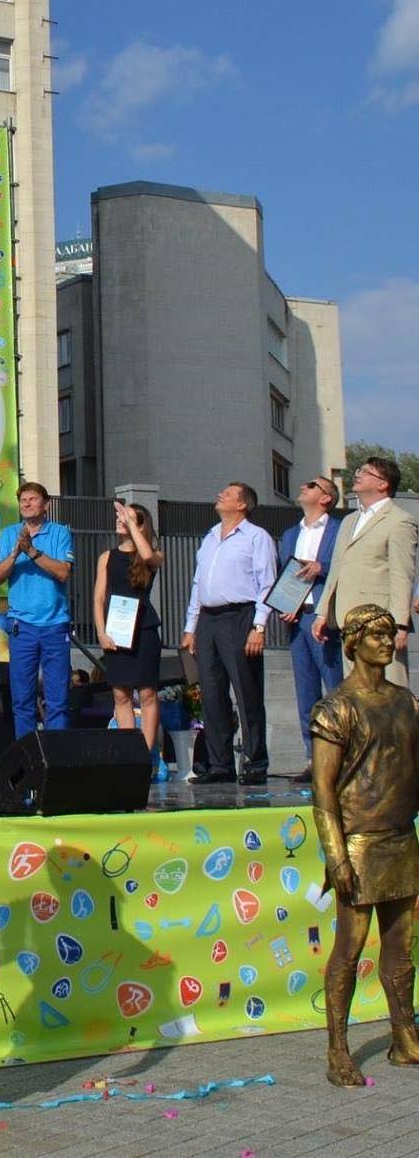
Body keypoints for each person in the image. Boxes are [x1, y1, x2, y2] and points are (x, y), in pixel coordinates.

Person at [310, 604, 419, 1087]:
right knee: (348, 951)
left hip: (401, 838)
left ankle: (404, 1035)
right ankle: (338, 1047)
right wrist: (336, 857)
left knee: (402, 948)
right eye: (375, 633)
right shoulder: (336, 708)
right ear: (352, 641)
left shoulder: (406, 701)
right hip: (357, 844)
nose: (386, 640)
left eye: (389, 632)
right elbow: (323, 791)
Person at [180, 481, 278, 786]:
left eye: (228, 493)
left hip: (240, 615)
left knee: (246, 691)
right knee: (211, 693)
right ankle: (219, 763)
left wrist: (258, 626)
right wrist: (190, 626)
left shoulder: (256, 537)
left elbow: (267, 585)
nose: (220, 494)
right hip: (209, 618)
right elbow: (199, 584)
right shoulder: (210, 535)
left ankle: (255, 762)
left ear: (242, 504)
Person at [315, 456, 418, 685]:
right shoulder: (349, 521)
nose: (358, 474)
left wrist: (399, 624)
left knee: (388, 693)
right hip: (348, 620)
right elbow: (337, 571)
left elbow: (403, 575)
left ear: (383, 484)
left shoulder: (400, 521)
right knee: (357, 694)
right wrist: (323, 612)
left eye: (366, 472)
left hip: (380, 624)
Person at [0, 482, 75, 738]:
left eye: (32, 499)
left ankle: (56, 760)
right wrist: (17, 552)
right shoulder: (9, 534)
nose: (26, 503)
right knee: (22, 700)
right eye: (23, 500)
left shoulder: (60, 533)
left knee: (57, 700)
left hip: (55, 625)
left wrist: (33, 552)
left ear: (46, 504)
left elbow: (63, 572)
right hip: (21, 626)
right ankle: (28, 761)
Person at [278, 475, 344, 782]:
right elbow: (286, 574)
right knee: (306, 693)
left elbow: (345, 566)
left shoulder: (338, 529)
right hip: (298, 617)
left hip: (323, 616)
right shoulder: (291, 534)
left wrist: (323, 567)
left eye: (312, 485)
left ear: (327, 498)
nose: (303, 486)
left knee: (335, 688)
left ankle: (343, 755)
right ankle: (313, 758)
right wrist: (285, 604)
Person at [94, 501, 165, 776]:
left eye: (127, 519)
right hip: (116, 629)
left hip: (144, 627)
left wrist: (133, 523)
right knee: (121, 694)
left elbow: (148, 556)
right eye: (120, 517)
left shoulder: (152, 555)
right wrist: (101, 631)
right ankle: (128, 753)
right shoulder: (107, 557)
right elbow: (99, 597)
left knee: (147, 692)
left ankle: (146, 753)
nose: (120, 521)